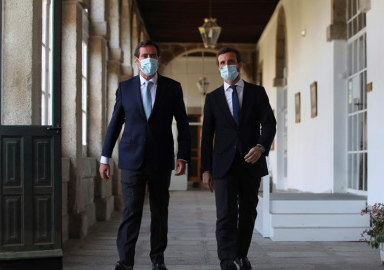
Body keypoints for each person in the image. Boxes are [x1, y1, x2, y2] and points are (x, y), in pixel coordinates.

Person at [99, 40, 191, 270]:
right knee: (131, 211)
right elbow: (114, 124)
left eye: (153, 55)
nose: (149, 60)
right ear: (136, 60)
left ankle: (157, 258)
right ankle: (125, 261)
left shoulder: (172, 87)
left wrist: (183, 156)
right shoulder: (125, 88)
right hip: (131, 159)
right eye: (144, 56)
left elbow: (183, 123)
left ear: (158, 59)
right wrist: (104, 157)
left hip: (161, 159)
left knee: (160, 211)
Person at [201, 47, 276, 270]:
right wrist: (206, 169)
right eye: (222, 63)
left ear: (239, 65)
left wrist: (261, 147)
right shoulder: (213, 98)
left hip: (251, 162)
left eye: (230, 62)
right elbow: (206, 136)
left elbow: (269, 123)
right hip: (223, 164)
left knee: (248, 212)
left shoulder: (257, 92)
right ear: (218, 68)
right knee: (225, 214)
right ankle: (226, 260)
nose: (226, 66)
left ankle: (241, 255)